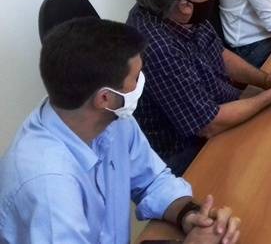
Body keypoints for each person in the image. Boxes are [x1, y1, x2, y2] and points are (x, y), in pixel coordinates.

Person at [0, 18, 242, 243]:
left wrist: (191, 216)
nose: (142, 82)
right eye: (136, 77)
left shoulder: (111, 118)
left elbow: (153, 181)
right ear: (104, 98)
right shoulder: (48, 184)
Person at [128, 0, 271, 175]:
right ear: (185, 5)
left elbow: (219, 53)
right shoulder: (157, 47)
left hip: (219, 108)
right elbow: (208, 125)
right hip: (186, 152)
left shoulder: (177, 11)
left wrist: (267, 80)